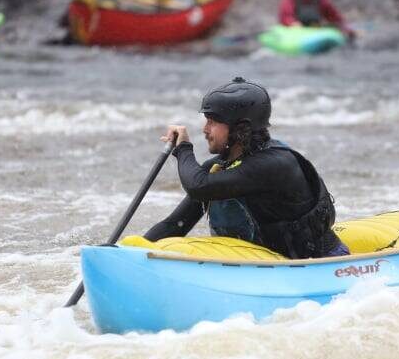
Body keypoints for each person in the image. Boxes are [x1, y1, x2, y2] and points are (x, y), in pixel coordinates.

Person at [146, 77, 348, 259]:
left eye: (213, 121)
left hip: (319, 263)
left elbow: (198, 186)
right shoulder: (221, 167)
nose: (205, 129)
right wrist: (130, 252)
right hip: (267, 268)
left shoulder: (273, 165)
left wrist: (183, 149)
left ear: (240, 127)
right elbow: (174, 225)